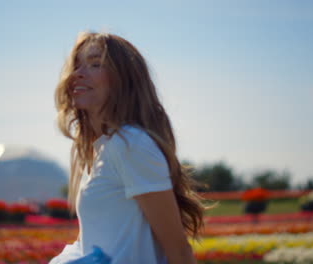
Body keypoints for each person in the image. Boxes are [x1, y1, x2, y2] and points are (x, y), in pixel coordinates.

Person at [49, 32, 205, 264]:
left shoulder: (131, 144)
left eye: (94, 64)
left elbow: (178, 250)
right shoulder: (103, 149)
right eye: (76, 65)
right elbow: (97, 244)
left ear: (124, 78)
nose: (77, 74)